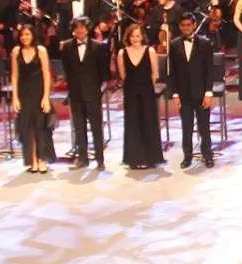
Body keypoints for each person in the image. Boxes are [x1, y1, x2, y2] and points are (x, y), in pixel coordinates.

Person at [168, 13, 216, 168]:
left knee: (204, 126)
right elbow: (172, 72)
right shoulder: (174, 44)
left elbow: (209, 70)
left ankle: (207, 155)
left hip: (201, 92)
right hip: (184, 93)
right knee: (186, 127)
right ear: (180, 27)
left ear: (194, 25)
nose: (186, 28)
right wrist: (175, 94)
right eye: (183, 25)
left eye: (189, 25)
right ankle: (187, 156)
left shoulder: (205, 43)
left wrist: (209, 93)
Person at [61, 19, 108, 169]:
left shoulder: (98, 46)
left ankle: (100, 159)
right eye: (77, 28)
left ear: (88, 30)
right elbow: (67, 70)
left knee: (96, 127)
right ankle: (82, 158)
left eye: (82, 28)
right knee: (79, 127)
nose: (80, 31)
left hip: (92, 93)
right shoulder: (67, 47)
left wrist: (97, 88)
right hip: (75, 93)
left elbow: (103, 71)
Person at [117, 23, 163, 170]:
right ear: (128, 37)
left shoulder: (150, 51)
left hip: (146, 91)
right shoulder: (122, 53)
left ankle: (150, 157)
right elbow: (123, 75)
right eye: (132, 36)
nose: (135, 38)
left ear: (142, 36)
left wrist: (146, 88)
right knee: (132, 124)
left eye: (138, 35)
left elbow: (155, 74)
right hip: (130, 91)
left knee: (148, 122)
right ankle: (134, 158)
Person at [11, 24, 54, 174]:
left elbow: (46, 74)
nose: (24, 37)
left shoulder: (41, 50)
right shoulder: (16, 51)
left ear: (33, 35)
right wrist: (15, 98)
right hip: (24, 93)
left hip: (38, 92)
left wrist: (46, 97)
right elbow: (14, 75)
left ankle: (43, 159)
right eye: (22, 35)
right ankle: (32, 160)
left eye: (27, 34)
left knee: (40, 127)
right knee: (27, 128)